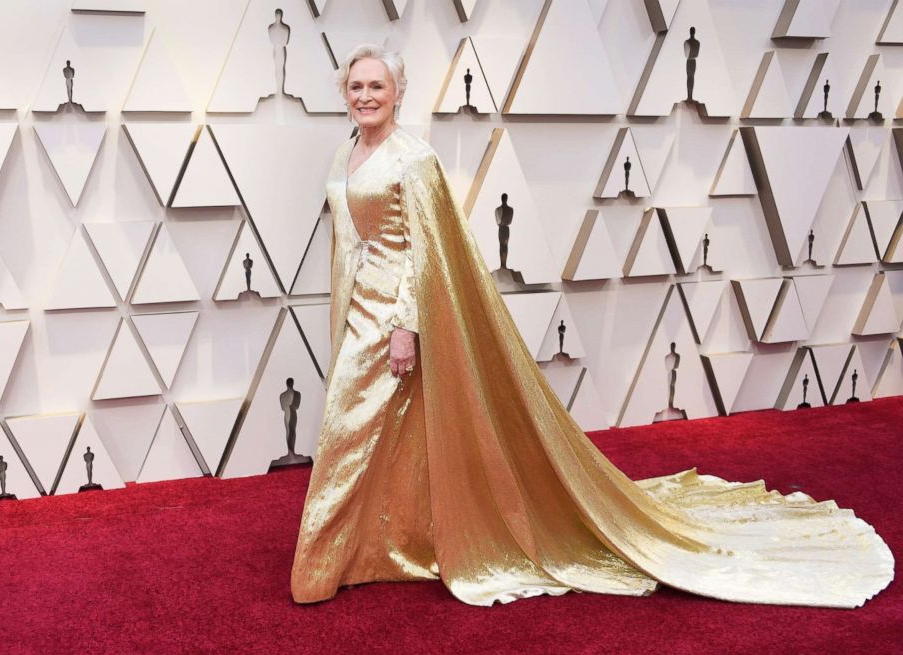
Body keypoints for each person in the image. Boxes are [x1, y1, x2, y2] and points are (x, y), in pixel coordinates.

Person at [290, 44, 894, 608]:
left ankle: (317, 567)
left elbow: (428, 251)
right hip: (355, 309)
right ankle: (385, 545)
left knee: (347, 430)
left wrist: (406, 325)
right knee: (402, 432)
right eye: (356, 85)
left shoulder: (414, 159)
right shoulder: (346, 154)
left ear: (398, 93)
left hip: (392, 316)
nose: (365, 94)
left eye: (377, 85)